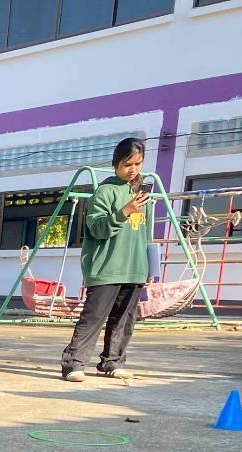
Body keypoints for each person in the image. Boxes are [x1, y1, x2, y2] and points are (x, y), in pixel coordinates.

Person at [61, 137, 154, 383]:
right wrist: (124, 211)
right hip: (106, 268)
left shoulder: (142, 194)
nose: (133, 169)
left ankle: (113, 362)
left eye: (138, 164)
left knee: (124, 320)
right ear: (116, 164)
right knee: (93, 318)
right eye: (127, 164)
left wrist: (149, 267)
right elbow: (97, 229)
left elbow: (146, 234)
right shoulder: (105, 192)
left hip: (134, 269)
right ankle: (73, 364)